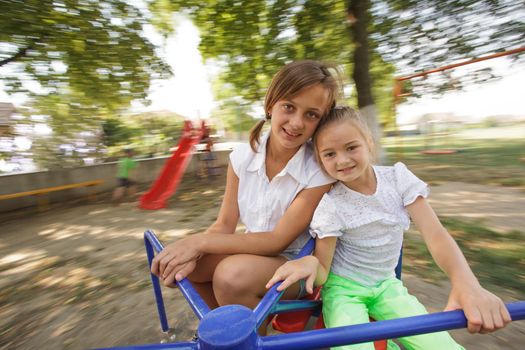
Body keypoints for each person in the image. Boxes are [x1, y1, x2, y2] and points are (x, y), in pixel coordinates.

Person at [266, 106, 511, 349]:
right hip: (344, 291)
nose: (342, 160)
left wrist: (466, 283)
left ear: (369, 142)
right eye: (329, 154)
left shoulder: (398, 179)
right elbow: (323, 271)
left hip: (386, 284)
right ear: (320, 159)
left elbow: (435, 234)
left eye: (351, 147)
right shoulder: (330, 205)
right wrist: (310, 263)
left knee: (439, 345)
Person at [150, 60, 341, 316]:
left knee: (231, 275)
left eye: (311, 114)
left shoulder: (318, 170)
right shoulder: (242, 157)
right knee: (188, 266)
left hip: (297, 265)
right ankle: (228, 333)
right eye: (289, 107)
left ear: (320, 121)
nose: (296, 122)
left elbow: (276, 242)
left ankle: (250, 338)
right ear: (271, 104)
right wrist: (190, 251)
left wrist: (199, 242)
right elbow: (224, 225)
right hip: (252, 252)